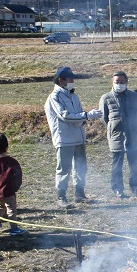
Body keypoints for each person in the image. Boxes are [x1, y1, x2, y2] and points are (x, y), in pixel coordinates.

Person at [44, 66, 101, 207]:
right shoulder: (54, 97)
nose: (72, 80)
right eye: (70, 78)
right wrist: (87, 116)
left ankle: (79, 194)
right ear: (60, 80)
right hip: (64, 139)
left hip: (78, 137)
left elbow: (79, 114)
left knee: (81, 167)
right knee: (64, 169)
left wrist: (85, 117)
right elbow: (65, 116)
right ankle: (61, 196)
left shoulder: (74, 96)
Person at [99, 71, 137, 199]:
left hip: (132, 134)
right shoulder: (106, 98)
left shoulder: (133, 96)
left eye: (122, 82)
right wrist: (114, 127)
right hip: (116, 136)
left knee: (133, 164)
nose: (119, 84)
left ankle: (136, 188)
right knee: (117, 164)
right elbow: (104, 118)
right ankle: (118, 189)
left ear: (126, 82)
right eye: (116, 82)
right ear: (112, 83)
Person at [0, 133, 23, 235]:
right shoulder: (12, 162)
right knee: (11, 210)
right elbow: (18, 176)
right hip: (8, 191)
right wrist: (15, 188)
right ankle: (14, 228)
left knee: (0, 206)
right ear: (7, 147)